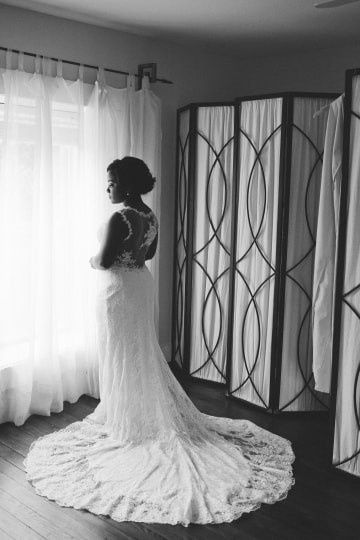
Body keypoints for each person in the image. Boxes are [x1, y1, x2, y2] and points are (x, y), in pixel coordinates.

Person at [24, 156, 295, 527]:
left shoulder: (118, 218)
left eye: (112, 182)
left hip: (118, 289)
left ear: (128, 184)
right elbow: (148, 254)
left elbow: (104, 261)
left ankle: (128, 418)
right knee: (137, 353)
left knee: (121, 354)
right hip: (139, 284)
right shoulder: (149, 215)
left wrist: (90, 259)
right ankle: (136, 411)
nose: (108, 189)